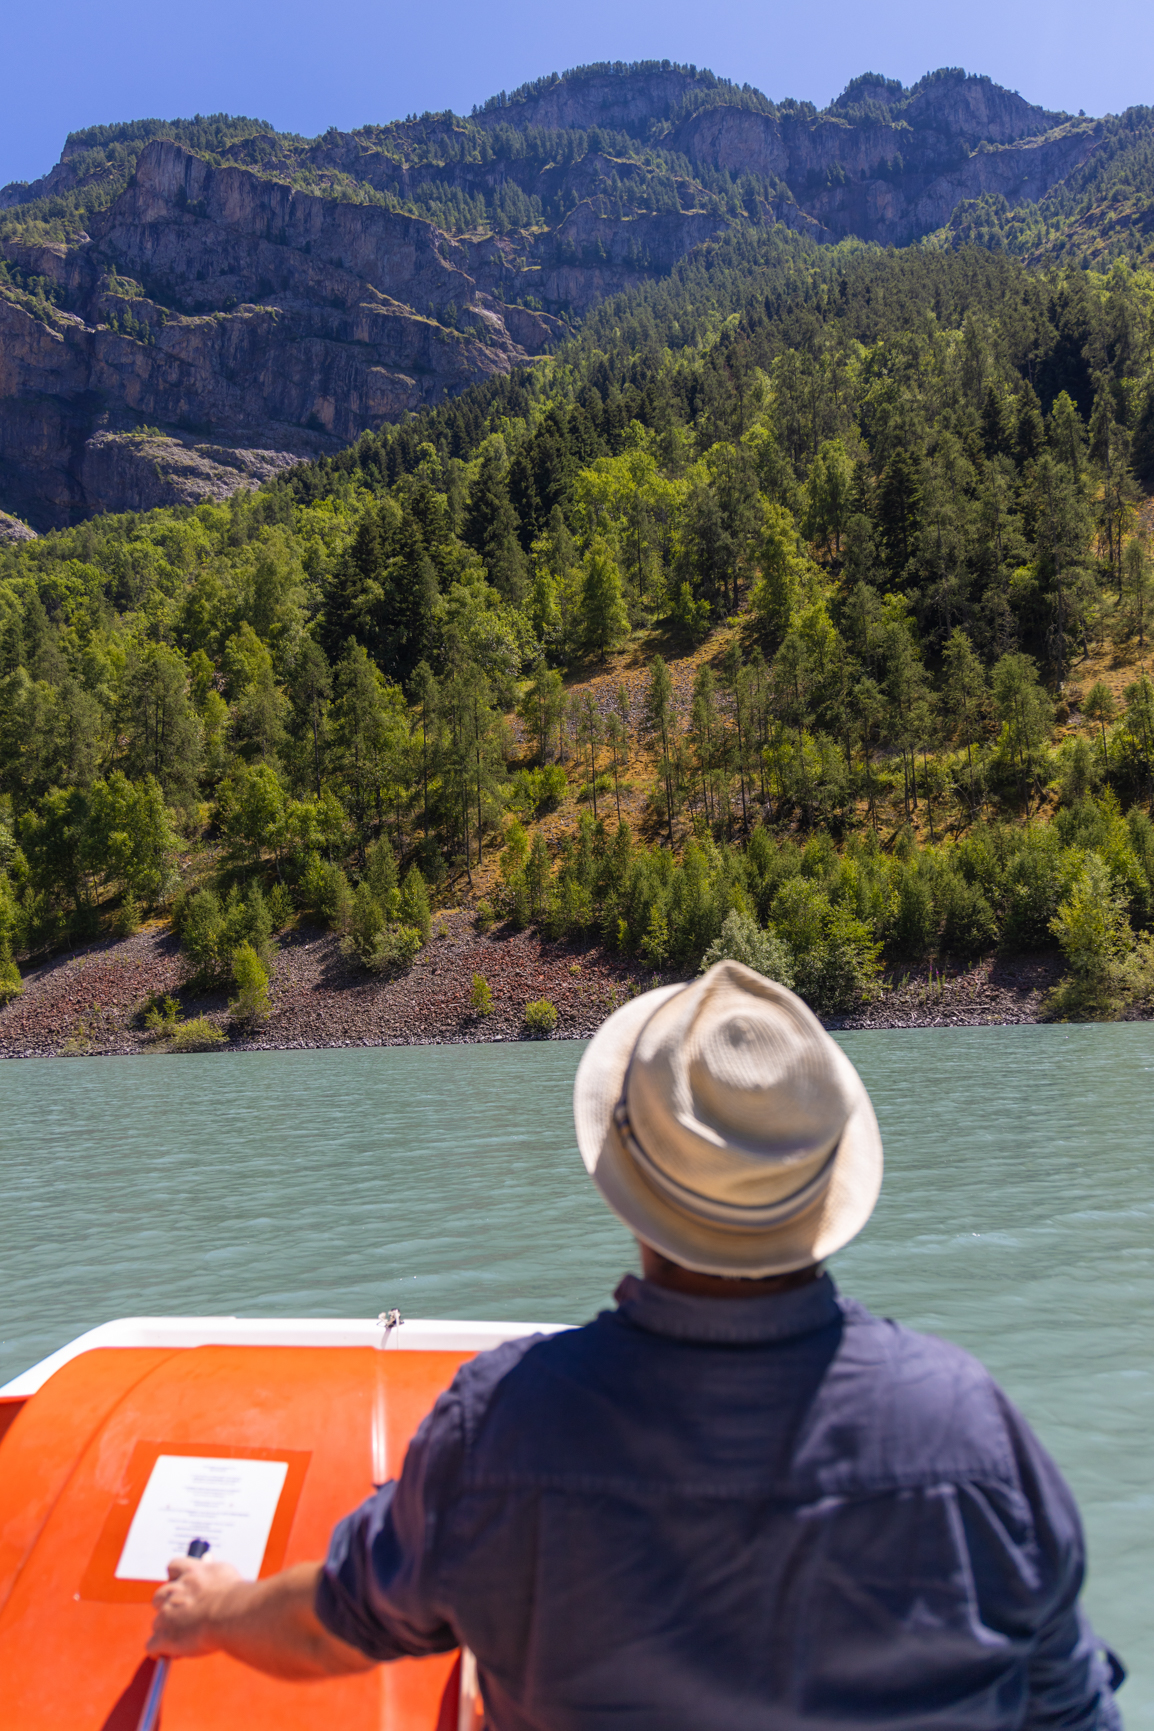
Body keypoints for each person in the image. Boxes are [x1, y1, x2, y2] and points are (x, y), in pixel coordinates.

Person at [149, 960, 1124, 1727]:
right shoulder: (969, 1431)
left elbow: (339, 1623)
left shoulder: (504, 1428)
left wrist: (213, 1610)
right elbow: (1069, 1705)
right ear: (825, 1185)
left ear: (630, 1189)